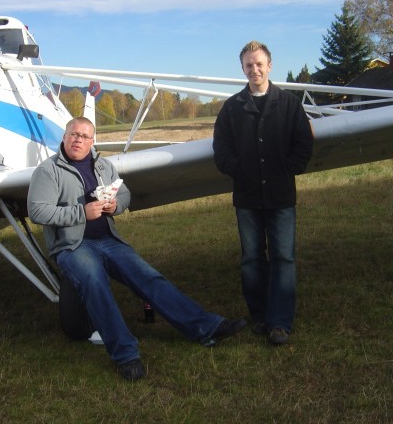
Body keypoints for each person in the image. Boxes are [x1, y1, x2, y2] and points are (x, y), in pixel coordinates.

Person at [28, 117, 246, 381]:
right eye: (74, 134)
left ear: (92, 141)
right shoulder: (48, 170)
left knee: (149, 277)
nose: (78, 140)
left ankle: (207, 328)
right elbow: (37, 211)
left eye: (84, 136)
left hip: (108, 240)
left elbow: (124, 194)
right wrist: (81, 212)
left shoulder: (103, 165)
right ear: (64, 137)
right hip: (72, 246)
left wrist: (115, 205)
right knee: (95, 284)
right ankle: (126, 355)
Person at [212, 41, 313, 345]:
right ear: (242, 69)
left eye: (259, 64)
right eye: (248, 65)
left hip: (281, 195)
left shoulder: (289, 104)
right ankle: (259, 315)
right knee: (252, 258)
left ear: (269, 65)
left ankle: (280, 322)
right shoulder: (232, 108)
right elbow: (221, 149)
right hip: (247, 197)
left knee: (283, 257)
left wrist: (287, 169)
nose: (254, 70)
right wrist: (239, 170)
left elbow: (303, 143)